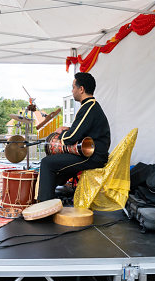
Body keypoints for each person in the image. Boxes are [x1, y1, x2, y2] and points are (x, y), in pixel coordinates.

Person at [37, 72, 111, 202]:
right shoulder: (90, 106)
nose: (72, 91)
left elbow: (70, 138)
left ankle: (43, 207)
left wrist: (61, 133)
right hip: (89, 153)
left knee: (47, 163)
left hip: (92, 156)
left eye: (73, 87)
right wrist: (68, 129)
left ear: (81, 89)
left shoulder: (89, 107)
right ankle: (50, 200)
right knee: (57, 168)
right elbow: (80, 130)